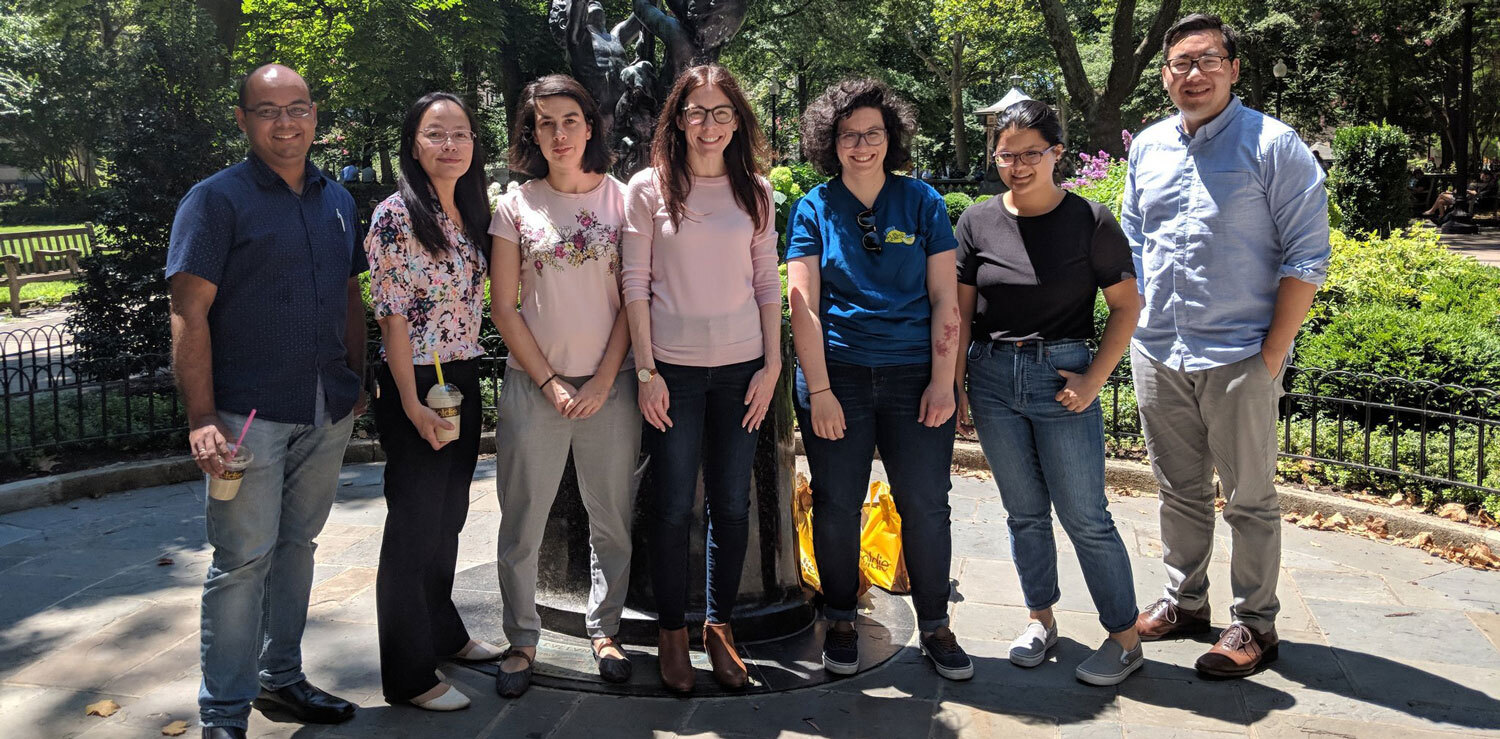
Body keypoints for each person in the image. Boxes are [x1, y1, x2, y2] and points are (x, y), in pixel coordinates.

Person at [1123, 14, 1330, 678]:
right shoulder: (1148, 147)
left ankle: (1255, 623)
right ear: (1164, 75)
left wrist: (1271, 353)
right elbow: (1132, 244)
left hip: (1240, 352)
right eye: (1181, 63)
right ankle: (1184, 601)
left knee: (1249, 497)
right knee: (1177, 489)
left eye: (1209, 60)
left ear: (1234, 68)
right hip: (1159, 349)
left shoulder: (1273, 145)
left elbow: (1308, 258)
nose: (1195, 74)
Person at [167, 64, 366, 739]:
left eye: (298, 107)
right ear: (243, 119)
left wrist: (355, 379)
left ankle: (281, 679)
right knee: (241, 561)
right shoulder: (215, 201)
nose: (286, 122)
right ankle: (223, 712)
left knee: (298, 546)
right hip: (244, 415)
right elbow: (189, 314)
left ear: (315, 113)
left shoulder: (336, 198)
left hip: (323, 408)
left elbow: (349, 294)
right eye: (268, 109)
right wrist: (200, 418)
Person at [786, 77, 971, 682]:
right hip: (836, 375)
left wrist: (944, 381)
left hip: (914, 376)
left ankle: (937, 624)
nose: (860, 145)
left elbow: (947, 298)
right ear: (829, 143)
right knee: (837, 505)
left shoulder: (923, 203)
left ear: (890, 137)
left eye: (872, 134)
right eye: (847, 136)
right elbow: (803, 304)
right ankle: (840, 618)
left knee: (926, 504)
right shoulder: (813, 207)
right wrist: (820, 390)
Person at [953, 100, 1144, 685]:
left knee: (1086, 515)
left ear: (1057, 153)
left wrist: (1095, 378)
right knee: (1024, 514)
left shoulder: (1091, 220)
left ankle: (1125, 637)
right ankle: (1041, 617)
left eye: (1031, 153)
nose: (1017, 165)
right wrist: (957, 383)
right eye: (1007, 154)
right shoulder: (976, 220)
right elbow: (960, 316)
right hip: (989, 378)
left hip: (1060, 378)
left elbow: (1125, 306)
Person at [621, 63, 780, 693]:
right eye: (696, 112)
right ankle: (670, 633)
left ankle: (719, 628)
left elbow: (767, 282)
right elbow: (635, 283)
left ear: (737, 120)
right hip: (674, 373)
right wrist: (645, 370)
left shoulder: (756, 192)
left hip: (742, 369)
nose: (708, 125)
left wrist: (772, 364)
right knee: (669, 504)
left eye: (721, 113)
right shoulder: (647, 188)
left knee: (732, 504)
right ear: (677, 120)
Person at [489, 74, 641, 697]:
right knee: (522, 520)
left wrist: (605, 378)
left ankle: (605, 630)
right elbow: (504, 307)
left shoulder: (624, 200)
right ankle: (522, 639)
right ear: (532, 132)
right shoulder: (514, 206)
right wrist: (550, 382)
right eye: (544, 122)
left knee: (613, 519)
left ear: (591, 125)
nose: (558, 133)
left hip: (614, 384)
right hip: (534, 387)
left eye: (569, 120)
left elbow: (637, 296)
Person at [364, 91, 502, 712]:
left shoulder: (473, 211)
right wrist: (410, 405)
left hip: (462, 375)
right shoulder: (394, 216)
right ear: (412, 144)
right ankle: (409, 673)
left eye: (461, 133)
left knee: (448, 517)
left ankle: (443, 632)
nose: (450, 145)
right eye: (435, 133)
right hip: (415, 382)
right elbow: (392, 319)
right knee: (414, 524)